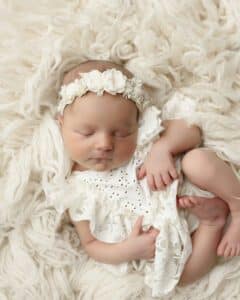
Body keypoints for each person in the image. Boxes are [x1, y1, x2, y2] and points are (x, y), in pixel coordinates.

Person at [53, 59, 230, 297]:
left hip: (195, 185)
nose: (105, 144)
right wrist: (128, 250)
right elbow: (91, 244)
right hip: (170, 237)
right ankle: (214, 221)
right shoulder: (76, 190)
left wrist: (162, 148)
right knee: (183, 276)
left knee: (196, 162)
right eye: (87, 132)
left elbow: (192, 130)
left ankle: (237, 204)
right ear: (61, 124)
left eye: (120, 133)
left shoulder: (144, 135)